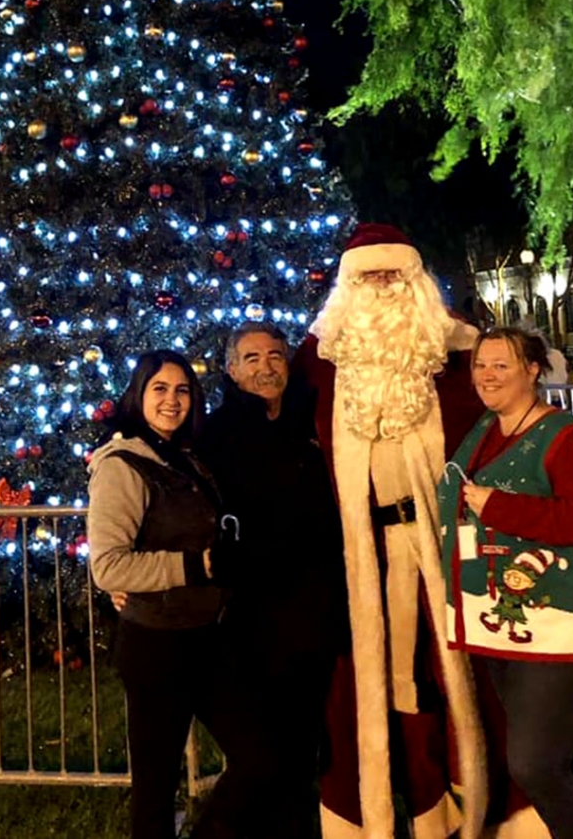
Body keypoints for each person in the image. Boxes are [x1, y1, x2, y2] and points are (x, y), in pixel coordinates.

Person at [295, 223, 543, 839]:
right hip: (362, 555)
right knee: (372, 686)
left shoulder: (456, 349)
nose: (381, 286)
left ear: (415, 278)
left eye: (391, 273)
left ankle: (494, 808)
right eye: (368, 276)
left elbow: (517, 421)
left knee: (465, 676)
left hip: (451, 547)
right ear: (348, 285)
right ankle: (390, 811)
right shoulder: (318, 358)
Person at [438, 327, 573, 839]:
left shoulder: (567, 438)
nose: (487, 375)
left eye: (502, 365)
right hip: (509, 622)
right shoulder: (485, 429)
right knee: (541, 758)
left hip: (565, 623)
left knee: (535, 764)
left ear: (533, 370)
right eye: (481, 365)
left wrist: (496, 506)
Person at [87, 350, 269, 839]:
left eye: (182, 390)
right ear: (138, 395)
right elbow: (108, 565)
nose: (172, 400)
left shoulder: (184, 458)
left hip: (206, 638)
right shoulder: (122, 466)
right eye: (160, 389)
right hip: (156, 646)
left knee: (258, 756)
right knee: (156, 784)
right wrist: (198, 566)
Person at [194, 322, 346, 839]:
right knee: (263, 757)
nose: (266, 367)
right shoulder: (215, 436)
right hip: (253, 621)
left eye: (275, 355)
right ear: (232, 370)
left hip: (317, 616)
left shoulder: (315, 420)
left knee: (304, 753)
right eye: (252, 358)